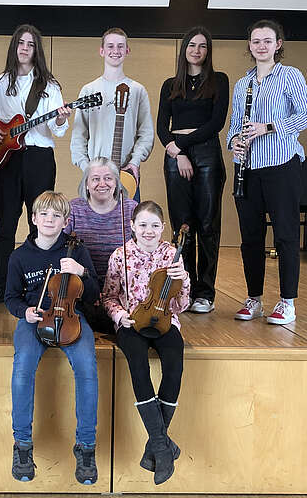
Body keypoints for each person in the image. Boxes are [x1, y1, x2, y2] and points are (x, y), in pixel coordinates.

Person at [5, 191, 100, 484]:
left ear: (65, 221)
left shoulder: (76, 251)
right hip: (36, 318)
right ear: (33, 219)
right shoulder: (20, 256)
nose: (49, 220)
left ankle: (86, 446)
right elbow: (11, 298)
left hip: (72, 317)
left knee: (87, 369)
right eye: (44, 214)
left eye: (56, 216)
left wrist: (82, 272)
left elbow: (95, 294)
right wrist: (26, 311)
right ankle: (22, 444)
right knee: (22, 368)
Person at [227, 19, 307, 325]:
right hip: (248, 167)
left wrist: (269, 126)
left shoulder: (290, 76)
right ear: (249, 46)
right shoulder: (243, 84)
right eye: (255, 41)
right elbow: (233, 126)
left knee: (286, 236)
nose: (261, 46)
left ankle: (287, 302)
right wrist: (235, 142)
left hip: (282, 166)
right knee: (251, 237)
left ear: (278, 44)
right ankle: (254, 299)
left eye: (267, 40)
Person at [0, 24, 71, 306]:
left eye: (30, 44)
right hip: (7, 159)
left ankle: (35, 288)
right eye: (20, 42)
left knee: (40, 224)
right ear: (14, 47)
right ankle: (1, 285)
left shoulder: (50, 87)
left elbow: (57, 130)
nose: (25, 48)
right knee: (4, 225)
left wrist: (62, 118)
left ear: (37, 50)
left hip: (39, 159)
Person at [102, 200, 189, 485]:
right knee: (138, 367)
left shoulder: (172, 255)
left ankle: (156, 445)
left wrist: (184, 280)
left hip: (165, 320)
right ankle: (163, 446)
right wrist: (119, 316)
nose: (148, 231)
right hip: (132, 322)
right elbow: (108, 297)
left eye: (154, 225)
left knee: (174, 366)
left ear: (163, 227)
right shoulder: (120, 255)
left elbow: (182, 304)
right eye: (142, 225)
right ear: (132, 226)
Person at [157, 27, 229, 314]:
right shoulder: (170, 84)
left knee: (208, 225)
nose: (197, 50)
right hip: (176, 156)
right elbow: (162, 126)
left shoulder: (219, 81)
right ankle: (184, 288)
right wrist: (175, 152)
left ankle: (205, 293)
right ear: (184, 49)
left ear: (208, 51)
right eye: (192, 45)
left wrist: (179, 145)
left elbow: (216, 123)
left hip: (207, 152)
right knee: (182, 225)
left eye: (202, 46)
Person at [70, 27, 154, 197]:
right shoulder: (89, 90)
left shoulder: (138, 90)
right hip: (94, 177)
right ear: (101, 51)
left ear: (127, 50)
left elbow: (146, 134)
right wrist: (87, 168)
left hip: (126, 175)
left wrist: (134, 163)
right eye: (110, 46)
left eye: (120, 46)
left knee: (128, 222)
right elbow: (79, 135)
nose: (115, 51)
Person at [64, 157, 137, 333]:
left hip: (122, 291)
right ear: (87, 184)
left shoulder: (131, 208)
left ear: (116, 183)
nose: (102, 183)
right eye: (95, 179)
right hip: (84, 288)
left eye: (108, 178)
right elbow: (59, 246)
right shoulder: (74, 208)